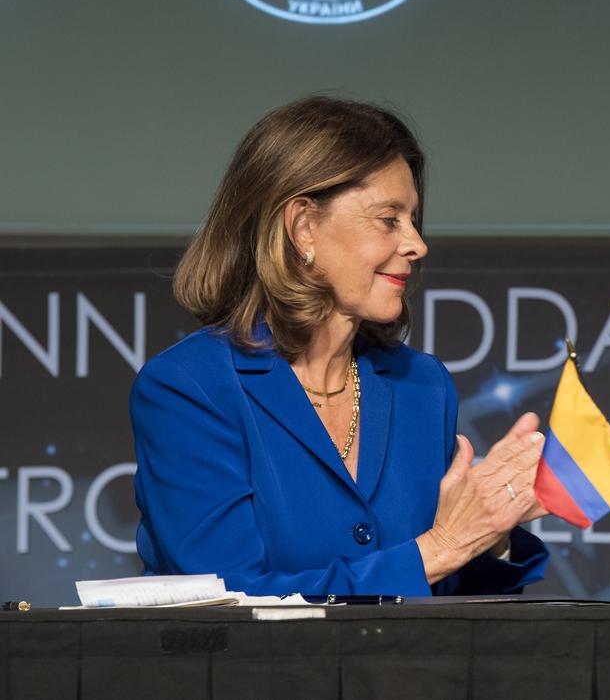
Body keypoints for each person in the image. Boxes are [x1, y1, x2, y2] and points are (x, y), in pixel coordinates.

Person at [131, 96, 549, 596]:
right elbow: (230, 598)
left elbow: (453, 602)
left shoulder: (422, 385)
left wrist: (491, 532)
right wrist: (443, 546)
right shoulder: (190, 387)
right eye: (389, 219)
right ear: (304, 226)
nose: (417, 244)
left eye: (413, 219)